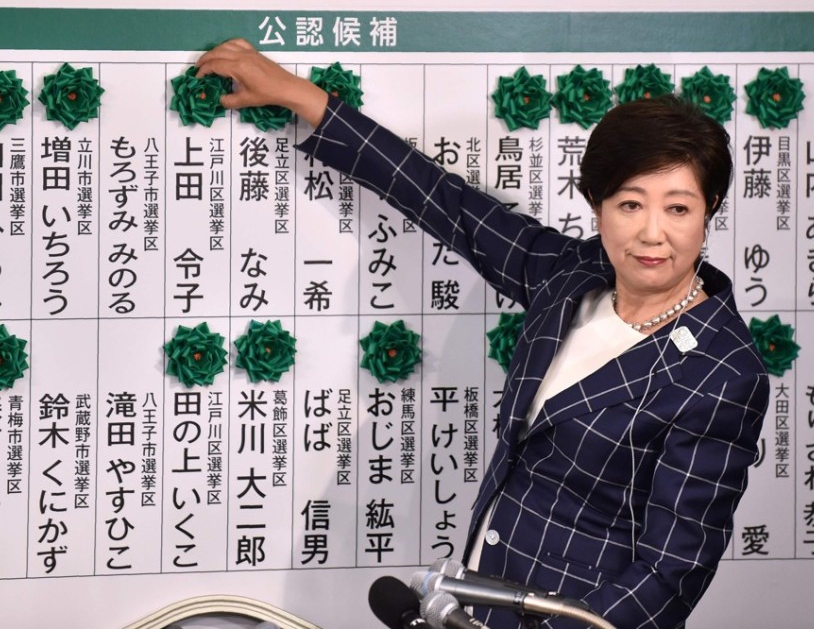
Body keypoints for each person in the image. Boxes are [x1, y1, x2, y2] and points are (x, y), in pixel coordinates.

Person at [197, 39, 770, 629]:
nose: (653, 234)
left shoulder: (723, 371)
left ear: (710, 208)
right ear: (596, 205)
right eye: (630, 205)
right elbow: (448, 204)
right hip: (476, 602)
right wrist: (302, 97)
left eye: (678, 209)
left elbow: (671, 572)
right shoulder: (569, 276)